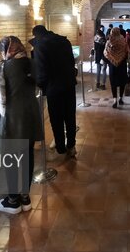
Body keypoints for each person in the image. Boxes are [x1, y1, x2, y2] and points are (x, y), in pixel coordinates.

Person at [0, 36, 42, 215]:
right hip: (30, 115)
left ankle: (13, 201)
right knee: (28, 155)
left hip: (13, 117)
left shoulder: (2, 67)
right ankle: (25, 198)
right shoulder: (32, 63)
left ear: (7, 49)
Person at [30, 25, 77, 159]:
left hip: (53, 87)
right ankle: (71, 146)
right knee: (70, 116)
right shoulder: (64, 41)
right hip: (69, 84)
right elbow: (71, 61)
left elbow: (42, 69)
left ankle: (61, 148)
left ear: (36, 34)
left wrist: (41, 85)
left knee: (56, 119)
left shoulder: (41, 45)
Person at [104, 27, 129, 108]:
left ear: (112, 32)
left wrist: (110, 60)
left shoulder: (109, 41)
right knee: (122, 82)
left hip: (112, 65)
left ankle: (115, 100)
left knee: (113, 82)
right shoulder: (123, 41)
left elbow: (106, 53)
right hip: (122, 65)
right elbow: (127, 52)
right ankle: (120, 98)